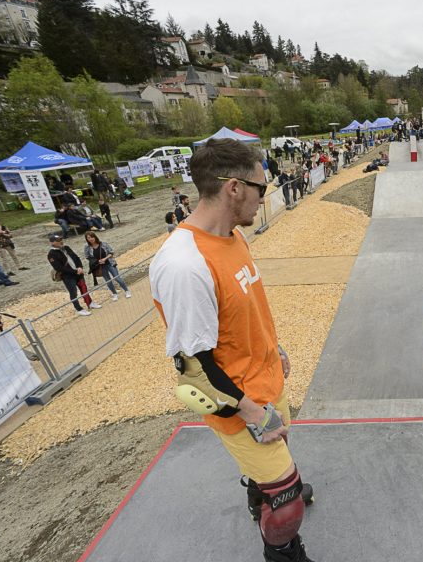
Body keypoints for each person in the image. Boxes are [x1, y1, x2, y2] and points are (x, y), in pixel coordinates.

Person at [149, 138, 316, 562]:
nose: (267, 195)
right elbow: (194, 370)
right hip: (240, 402)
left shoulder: (232, 237)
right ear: (234, 188)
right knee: (289, 502)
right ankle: (282, 550)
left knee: (277, 468)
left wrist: (274, 348)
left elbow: (243, 310)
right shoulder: (184, 265)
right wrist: (252, 412)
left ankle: (262, 489)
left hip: (267, 380)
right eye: (262, 187)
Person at [47, 234, 101, 316]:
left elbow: (76, 257)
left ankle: (90, 303)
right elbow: (59, 268)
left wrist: (80, 267)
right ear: (52, 243)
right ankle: (78, 309)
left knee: (84, 288)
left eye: (61, 239)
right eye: (58, 241)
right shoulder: (51, 254)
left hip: (78, 272)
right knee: (73, 293)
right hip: (68, 276)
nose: (61, 241)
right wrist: (75, 271)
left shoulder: (66, 248)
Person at [83, 232, 130, 301]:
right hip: (100, 266)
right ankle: (114, 294)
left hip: (109, 263)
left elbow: (111, 252)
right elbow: (87, 256)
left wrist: (105, 259)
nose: (91, 239)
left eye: (92, 237)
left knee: (117, 278)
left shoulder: (103, 243)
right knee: (108, 281)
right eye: (88, 238)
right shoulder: (87, 247)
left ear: (95, 237)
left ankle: (126, 290)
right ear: (87, 239)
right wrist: (97, 261)